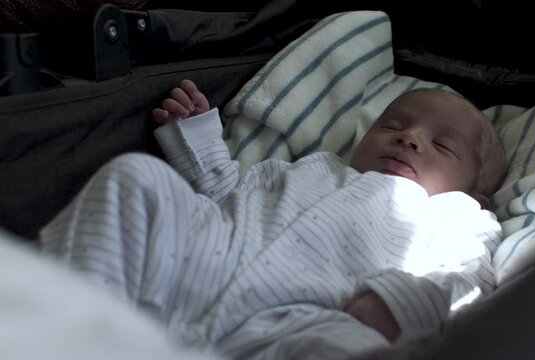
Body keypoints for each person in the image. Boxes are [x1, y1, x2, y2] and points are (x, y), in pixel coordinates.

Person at [40, 79, 506, 360]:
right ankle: (66, 329)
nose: (409, 139)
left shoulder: (457, 214)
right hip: (196, 262)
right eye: (394, 125)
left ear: (476, 192)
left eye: (442, 146)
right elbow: (227, 190)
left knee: (350, 349)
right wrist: (200, 137)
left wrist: (401, 302)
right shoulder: (316, 166)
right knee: (135, 177)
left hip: (305, 319)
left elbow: (469, 278)